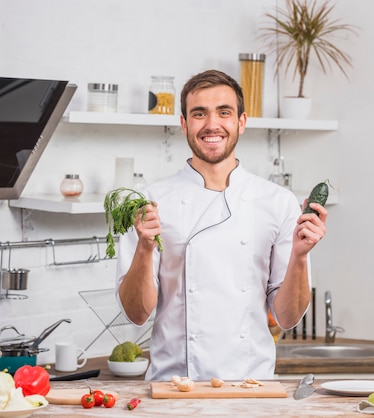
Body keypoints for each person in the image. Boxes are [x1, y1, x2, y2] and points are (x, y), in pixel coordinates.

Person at [114, 69, 328, 381]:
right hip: (174, 386)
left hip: (251, 385)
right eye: (199, 114)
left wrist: (298, 257)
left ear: (241, 121)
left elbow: (287, 318)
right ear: (184, 124)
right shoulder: (151, 201)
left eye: (224, 112)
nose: (212, 124)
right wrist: (145, 248)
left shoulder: (277, 201)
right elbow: (136, 314)